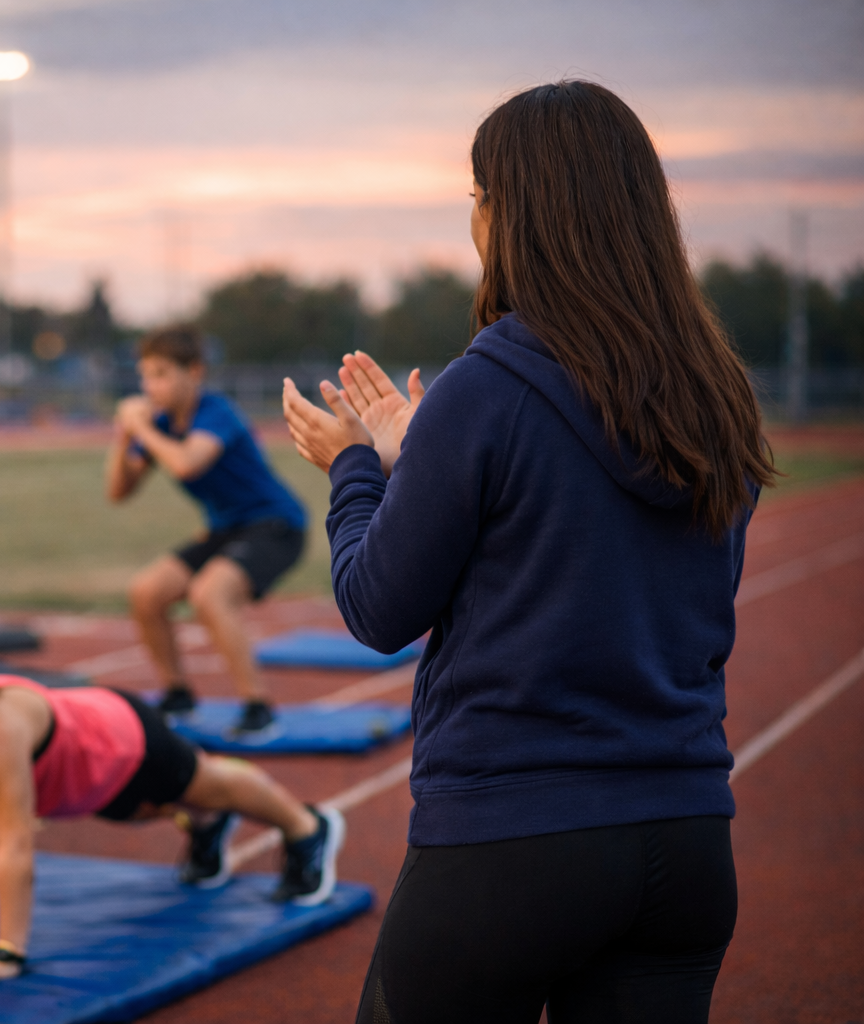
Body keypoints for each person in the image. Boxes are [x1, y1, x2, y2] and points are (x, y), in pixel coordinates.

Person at [282, 81, 773, 1024]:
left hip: (511, 837)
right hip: (686, 838)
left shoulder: (488, 387)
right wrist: (425, 457)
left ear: (512, 213)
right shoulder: (716, 393)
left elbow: (377, 608)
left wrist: (355, 469)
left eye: (478, 196)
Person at [0, 657, 343, 986]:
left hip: (122, 740)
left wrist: (6, 952)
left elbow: (14, 842)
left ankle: (306, 827)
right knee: (152, 812)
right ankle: (205, 827)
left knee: (207, 784)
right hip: (79, 784)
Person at [105, 325, 307, 738]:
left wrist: (142, 430)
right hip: (225, 530)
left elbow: (186, 463)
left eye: (161, 374)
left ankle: (258, 708)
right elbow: (119, 492)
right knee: (146, 593)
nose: (150, 386)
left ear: (194, 371)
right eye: (145, 376)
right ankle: (177, 694)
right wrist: (124, 435)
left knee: (209, 594)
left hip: (276, 525)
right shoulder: (160, 423)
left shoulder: (217, 412)